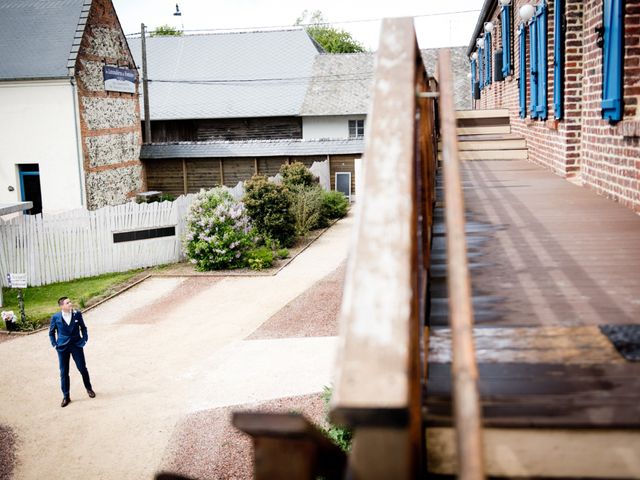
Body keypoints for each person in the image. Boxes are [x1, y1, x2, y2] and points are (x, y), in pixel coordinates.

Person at [49, 297, 95, 407]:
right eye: (67, 302)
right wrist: (55, 344)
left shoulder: (77, 314)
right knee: (64, 372)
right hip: (62, 348)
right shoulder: (56, 317)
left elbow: (83, 328)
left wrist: (84, 340)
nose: (70, 303)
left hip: (76, 346)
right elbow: (51, 332)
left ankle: (89, 389)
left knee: (82, 368)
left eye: (70, 302)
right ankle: (66, 396)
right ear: (62, 306)